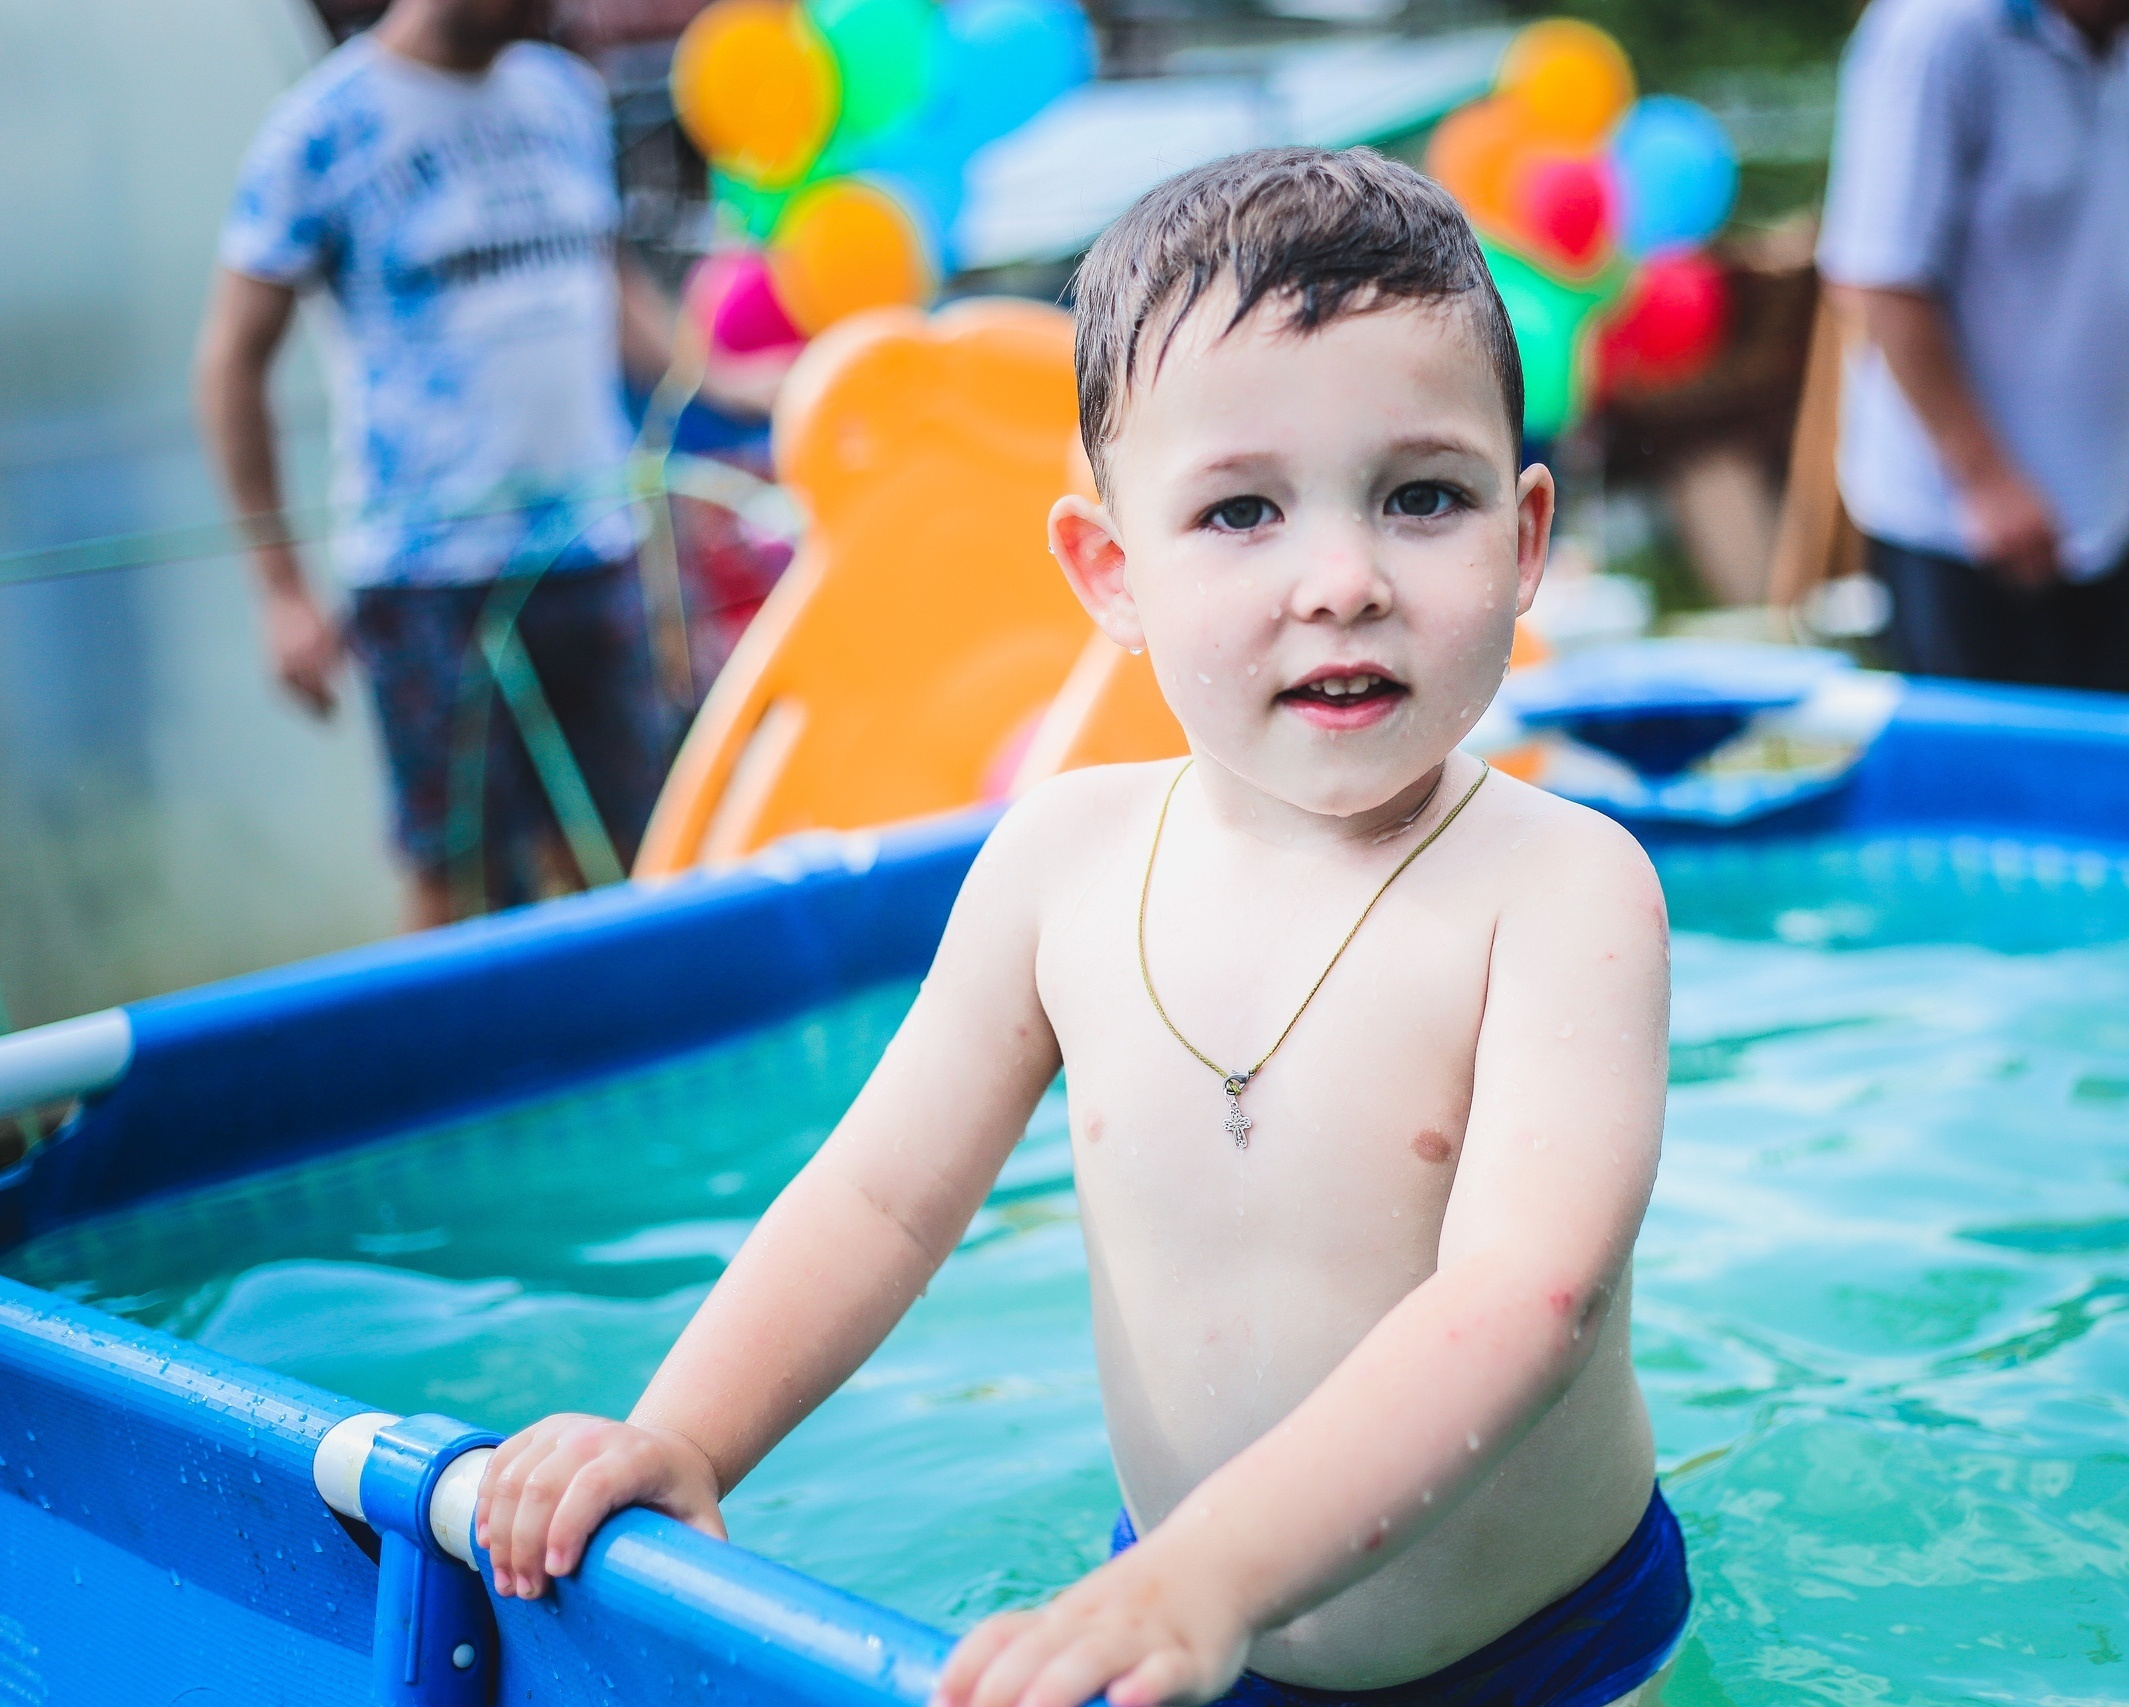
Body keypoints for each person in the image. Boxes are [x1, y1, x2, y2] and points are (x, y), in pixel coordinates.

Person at [472, 148, 1687, 1707]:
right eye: (1241, 508)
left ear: (1525, 544)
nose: (1342, 580)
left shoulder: (1564, 886)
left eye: (1422, 497)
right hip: (1169, 1613)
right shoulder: (1061, 863)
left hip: (1542, 1652)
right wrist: (684, 1432)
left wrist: (1211, 1569)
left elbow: (1528, 1292)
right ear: (1109, 571)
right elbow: (881, 1195)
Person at [196, 0, 696, 925]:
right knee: (458, 874)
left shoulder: (564, 96)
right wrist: (279, 590)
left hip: (591, 547)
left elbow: (615, 299)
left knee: (637, 842)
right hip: (427, 580)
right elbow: (230, 364)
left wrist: (738, 381)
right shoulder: (321, 131)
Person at [1818, 0, 2129, 691]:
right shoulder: (1936, 35)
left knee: (2108, 774)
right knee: (1988, 790)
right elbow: (1882, 281)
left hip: (2113, 500)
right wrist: (1987, 481)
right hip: (1965, 528)